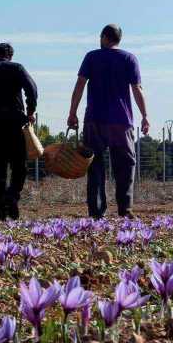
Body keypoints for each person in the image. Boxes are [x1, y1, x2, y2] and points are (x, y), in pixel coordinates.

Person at [66, 24, 149, 218]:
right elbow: (137, 89)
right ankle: (125, 209)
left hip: (95, 119)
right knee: (126, 165)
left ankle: (96, 211)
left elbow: (79, 85)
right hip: (122, 120)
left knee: (94, 165)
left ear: (104, 37)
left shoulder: (92, 57)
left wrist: (72, 112)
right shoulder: (129, 58)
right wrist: (145, 116)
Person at [0, 42, 39, 220]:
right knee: (19, 165)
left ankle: (1, 211)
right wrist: (30, 111)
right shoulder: (17, 68)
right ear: (10, 55)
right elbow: (32, 89)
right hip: (15, 121)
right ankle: (12, 195)